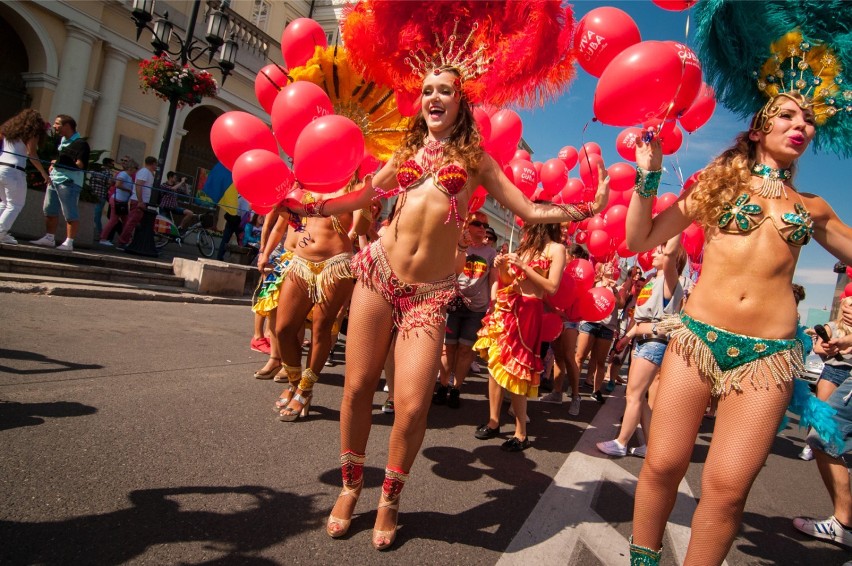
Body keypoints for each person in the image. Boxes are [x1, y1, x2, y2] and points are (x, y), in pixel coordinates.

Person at [626, 90, 852, 565]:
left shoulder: (812, 207)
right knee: (664, 464)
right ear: (757, 130)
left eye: (808, 120)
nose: (801, 125)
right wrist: (648, 176)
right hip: (698, 341)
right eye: (788, 115)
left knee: (727, 490)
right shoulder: (716, 186)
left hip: (767, 359)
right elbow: (639, 238)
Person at [259, 186, 361, 423]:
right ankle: (295, 382)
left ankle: (304, 390)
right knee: (284, 329)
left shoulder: (354, 186)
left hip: (336, 264)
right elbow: (291, 220)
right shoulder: (307, 183)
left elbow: (361, 227)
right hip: (301, 262)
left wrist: (358, 217)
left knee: (320, 329)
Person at [474, 216, 566, 450]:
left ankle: (520, 433)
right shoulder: (525, 247)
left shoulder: (557, 249)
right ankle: (493, 422)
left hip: (529, 311)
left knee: (516, 370)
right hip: (508, 306)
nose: (527, 222)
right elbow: (508, 281)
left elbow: (551, 288)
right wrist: (503, 268)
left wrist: (523, 266)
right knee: (495, 366)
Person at [596, 236, 684, 459]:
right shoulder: (655, 279)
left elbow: (655, 323)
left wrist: (674, 226)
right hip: (642, 340)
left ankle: (621, 442)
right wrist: (625, 339)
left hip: (653, 344)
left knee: (633, 395)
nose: (652, 254)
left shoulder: (669, 281)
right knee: (639, 397)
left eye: (659, 251)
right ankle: (649, 446)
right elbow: (642, 320)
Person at [434, 211, 497, 409]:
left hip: (476, 309)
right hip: (452, 304)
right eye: (477, 223)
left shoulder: (491, 253)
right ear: (466, 226)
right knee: (448, 348)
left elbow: (494, 280)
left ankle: (456, 389)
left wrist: (493, 303)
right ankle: (443, 385)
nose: (482, 228)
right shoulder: (456, 245)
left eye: (484, 225)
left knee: (465, 350)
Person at [799, 295, 852, 461]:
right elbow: (818, 347)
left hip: (849, 374)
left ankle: (833, 449)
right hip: (833, 371)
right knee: (821, 411)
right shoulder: (832, 326)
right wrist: (834, 350)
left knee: (838, 415)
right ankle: (811, 445)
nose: (848, 310)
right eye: (847, 306)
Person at [540, 240, 588, 415]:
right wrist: (554, 310)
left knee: (568, 355)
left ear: (572, 257)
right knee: (558, 355)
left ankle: (576, 397)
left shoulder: (581, 273)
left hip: (570, 318)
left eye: (565, 254)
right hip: (555, 316)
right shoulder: (557, 270)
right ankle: (557, 393)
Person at [31, 114, 90, 252]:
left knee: (70, 212)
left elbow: (80, 165)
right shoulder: (62, 141)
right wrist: (54, 165)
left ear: (67, 126)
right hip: (54, 179)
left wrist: (59, 163)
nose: (54, 126)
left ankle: (69, 242)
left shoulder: (81, 144)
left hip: (69, 182)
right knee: (49, 209)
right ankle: (49, 238)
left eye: (57, 123)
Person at [575, 261, 625, 404]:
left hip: (607, 327)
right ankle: (574, 390)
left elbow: (621, 304)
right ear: (601, 269)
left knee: (600, 362)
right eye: (607, 264)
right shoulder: (593, 283)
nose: (610, 266)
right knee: (580, 357)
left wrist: (614, 290)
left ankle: (596, 391)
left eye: (612, 266)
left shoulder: (618, 287)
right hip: (589, 323)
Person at [0, 109, 49, 244]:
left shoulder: (9, 130)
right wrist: (44, 173)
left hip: (1, 167)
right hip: (15, 171)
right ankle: (1, 232)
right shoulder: (31, 132)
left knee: (5, 203)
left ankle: (3, 234)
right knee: (15, 205)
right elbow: (32, 154)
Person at [117, 156, 156, 248]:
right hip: (139, 201)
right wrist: (140, 201)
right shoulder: (145, 172)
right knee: (132, 222)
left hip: (143, 200)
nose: (156, 166)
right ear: (153, 164)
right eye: (156, 164)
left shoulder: (148, 173)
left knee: (136, 222)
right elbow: (139, 186)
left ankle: (132, 241)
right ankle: (122, 242)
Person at [99, 159, 137, 246]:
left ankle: (125, 240)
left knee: (125, 221)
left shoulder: (128, 176)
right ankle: (103, 238)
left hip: (121, 201)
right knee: (113, 220)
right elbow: (118, 184)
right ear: (131, 168)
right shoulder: (124, 174)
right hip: (118, 200)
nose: (136, 170)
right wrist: (129, 190)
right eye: (135, 168)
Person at [216, 196, 250, 261]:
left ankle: (219, 256)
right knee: (240, 240)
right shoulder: (244, 199)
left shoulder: (236, 196)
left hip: (230, 219)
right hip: (238, 221)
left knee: (225, 239)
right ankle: (243, 257)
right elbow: (244, 211)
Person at [89, 158, 115, 238]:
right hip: (101, 195)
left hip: (92, 194)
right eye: (112, 163)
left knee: (93, 214)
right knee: (97, 215)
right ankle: (99, 233)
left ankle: (96, 233)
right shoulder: (108, 172)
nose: (113, 165)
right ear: (108, 164)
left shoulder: (96, 170)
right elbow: (110, 183)